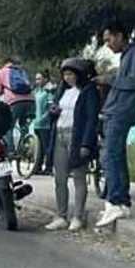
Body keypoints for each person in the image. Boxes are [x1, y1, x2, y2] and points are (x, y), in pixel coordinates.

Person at [96, 20, 135, 228]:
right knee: (117, 155)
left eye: (109, 40)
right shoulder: (128, 55)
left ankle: (115, 201)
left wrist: (108, 79)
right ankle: (122, 202)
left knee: (110, 156)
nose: (108, 45)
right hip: (116, 111)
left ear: (119, 36)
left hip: (121, 112)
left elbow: (134, 82)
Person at [44, 58, 100, 231]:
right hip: (60, 135)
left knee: (79, 177)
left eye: (71, 74)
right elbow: (53, 114)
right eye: (65, 74)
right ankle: (61, 215)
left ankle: (78, 215)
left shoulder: (88, 91)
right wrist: (52, 112)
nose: (68, 78)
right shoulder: (62, 92)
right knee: (60, 178)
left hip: (76, 136)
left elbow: (91, 119)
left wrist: (86, 143)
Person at [0, 56, 35, 154]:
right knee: (24, 126)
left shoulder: (2, 71)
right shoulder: (22, 71)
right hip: (30, 101)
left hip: (14, 102)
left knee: (7, 126)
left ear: (5, 63)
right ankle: (25, 149)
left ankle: (10, 151)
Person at [32, 71, 56, 175]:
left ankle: (49, 167)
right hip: (36, 124)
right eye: (36, 79)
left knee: (47, 147)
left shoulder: (49, 91)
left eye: (39, 78)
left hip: (45, 124)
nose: (37, 81)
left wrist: (43, 118)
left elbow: (51, 108)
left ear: (45, 79)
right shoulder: (36, 91)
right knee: (39, 148)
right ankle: (37, 167)